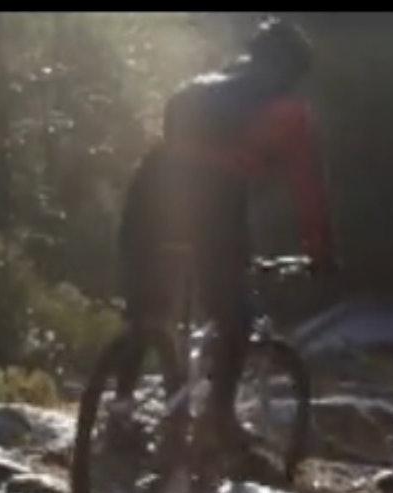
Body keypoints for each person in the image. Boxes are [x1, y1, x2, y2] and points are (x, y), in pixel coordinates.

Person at [114, 17, 337, 459]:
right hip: (214, 199)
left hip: (152, 184)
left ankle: (119, 411)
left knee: (147, 313)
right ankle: (219, 418)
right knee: (233, 315)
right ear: (294, 70)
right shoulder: (289, 112)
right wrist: (321, 253)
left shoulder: (205, 86)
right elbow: (308, 189)